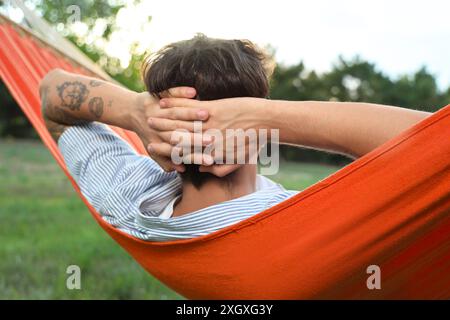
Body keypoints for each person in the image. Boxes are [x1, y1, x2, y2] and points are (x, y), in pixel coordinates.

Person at [39, 34, 431, 241]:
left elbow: (52, 93)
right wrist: (268, 116)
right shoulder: (305, 225)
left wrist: (134, 111)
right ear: (256, 119)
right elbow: (437, 145)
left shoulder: (126, 197)